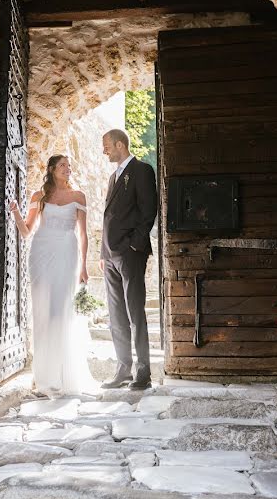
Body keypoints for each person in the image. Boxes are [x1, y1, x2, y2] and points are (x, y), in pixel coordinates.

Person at [9, 155, 95, 396]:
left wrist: (84, 267)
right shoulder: (40, 196)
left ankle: (62, 376)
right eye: (63, 165)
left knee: (60, 310)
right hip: (41, 252)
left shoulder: (79, 197)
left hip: (67, 253)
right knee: (42, 311)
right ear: (52, 169)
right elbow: (26, 231)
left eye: (70, 165)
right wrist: (16, 212)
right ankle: (44, 378)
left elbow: (83, 235)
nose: (68, 168)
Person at [99, 129, 158, 390]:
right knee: (116, 315)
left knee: (135, 311)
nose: (105, 151)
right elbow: (108, 217)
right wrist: (104, 253)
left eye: (107, 146)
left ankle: (143, 370)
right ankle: (123, 368)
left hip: (130, 254)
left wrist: (134, 245)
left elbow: (148, 211)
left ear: (120, 145)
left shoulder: (142, 171)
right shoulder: (113, 177)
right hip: (110, 256)